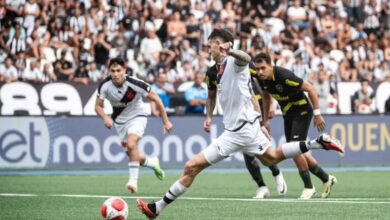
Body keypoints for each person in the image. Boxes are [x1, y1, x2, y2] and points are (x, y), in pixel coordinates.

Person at [137, 29, 344, 218]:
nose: (208, 49)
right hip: (244, 128)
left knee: (191, 166)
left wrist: (231, 51)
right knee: (271, 158)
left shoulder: (234, 63)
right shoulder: (216, 70)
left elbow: (246, 58)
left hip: (240, 131)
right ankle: (319, 143)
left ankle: (157, 208)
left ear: (221, 45)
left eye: (211, 45)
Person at [251, 52, 337, 199]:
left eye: (263, 68)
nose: (260, 72)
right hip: (288, 114)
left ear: (271, 66)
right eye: (257, 69)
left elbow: (310, 88)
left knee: (294, 149)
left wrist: (317, 114)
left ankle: (309, 187)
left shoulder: (284, 75)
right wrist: (265, 120)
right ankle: (325, 178)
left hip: (302, 111)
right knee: (296, 150)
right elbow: (266, 97)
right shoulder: (261, 78)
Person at [206, 60, 287, 199]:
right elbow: (211, 96)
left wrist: (271, 104)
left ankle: (275, 172)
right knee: (248, 151)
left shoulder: (241, 63)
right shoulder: (211, 73)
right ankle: (262, 186)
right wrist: (209, 117)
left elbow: (263, 82)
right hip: (238, 112)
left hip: (256, 105)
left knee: (260, 149)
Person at [95, 57, 173, 193]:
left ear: (124, 70)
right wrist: (105, 117)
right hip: (119, 122)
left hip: (138, 116)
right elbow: (97, 106)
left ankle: (133, 182)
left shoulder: (135, 83)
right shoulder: (105, 86)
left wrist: (165, 121)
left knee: (131, 145)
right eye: (112, 71)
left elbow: (156, 99)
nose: (115, 74)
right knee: (132, 153)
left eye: (118, 70)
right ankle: (152, 162)